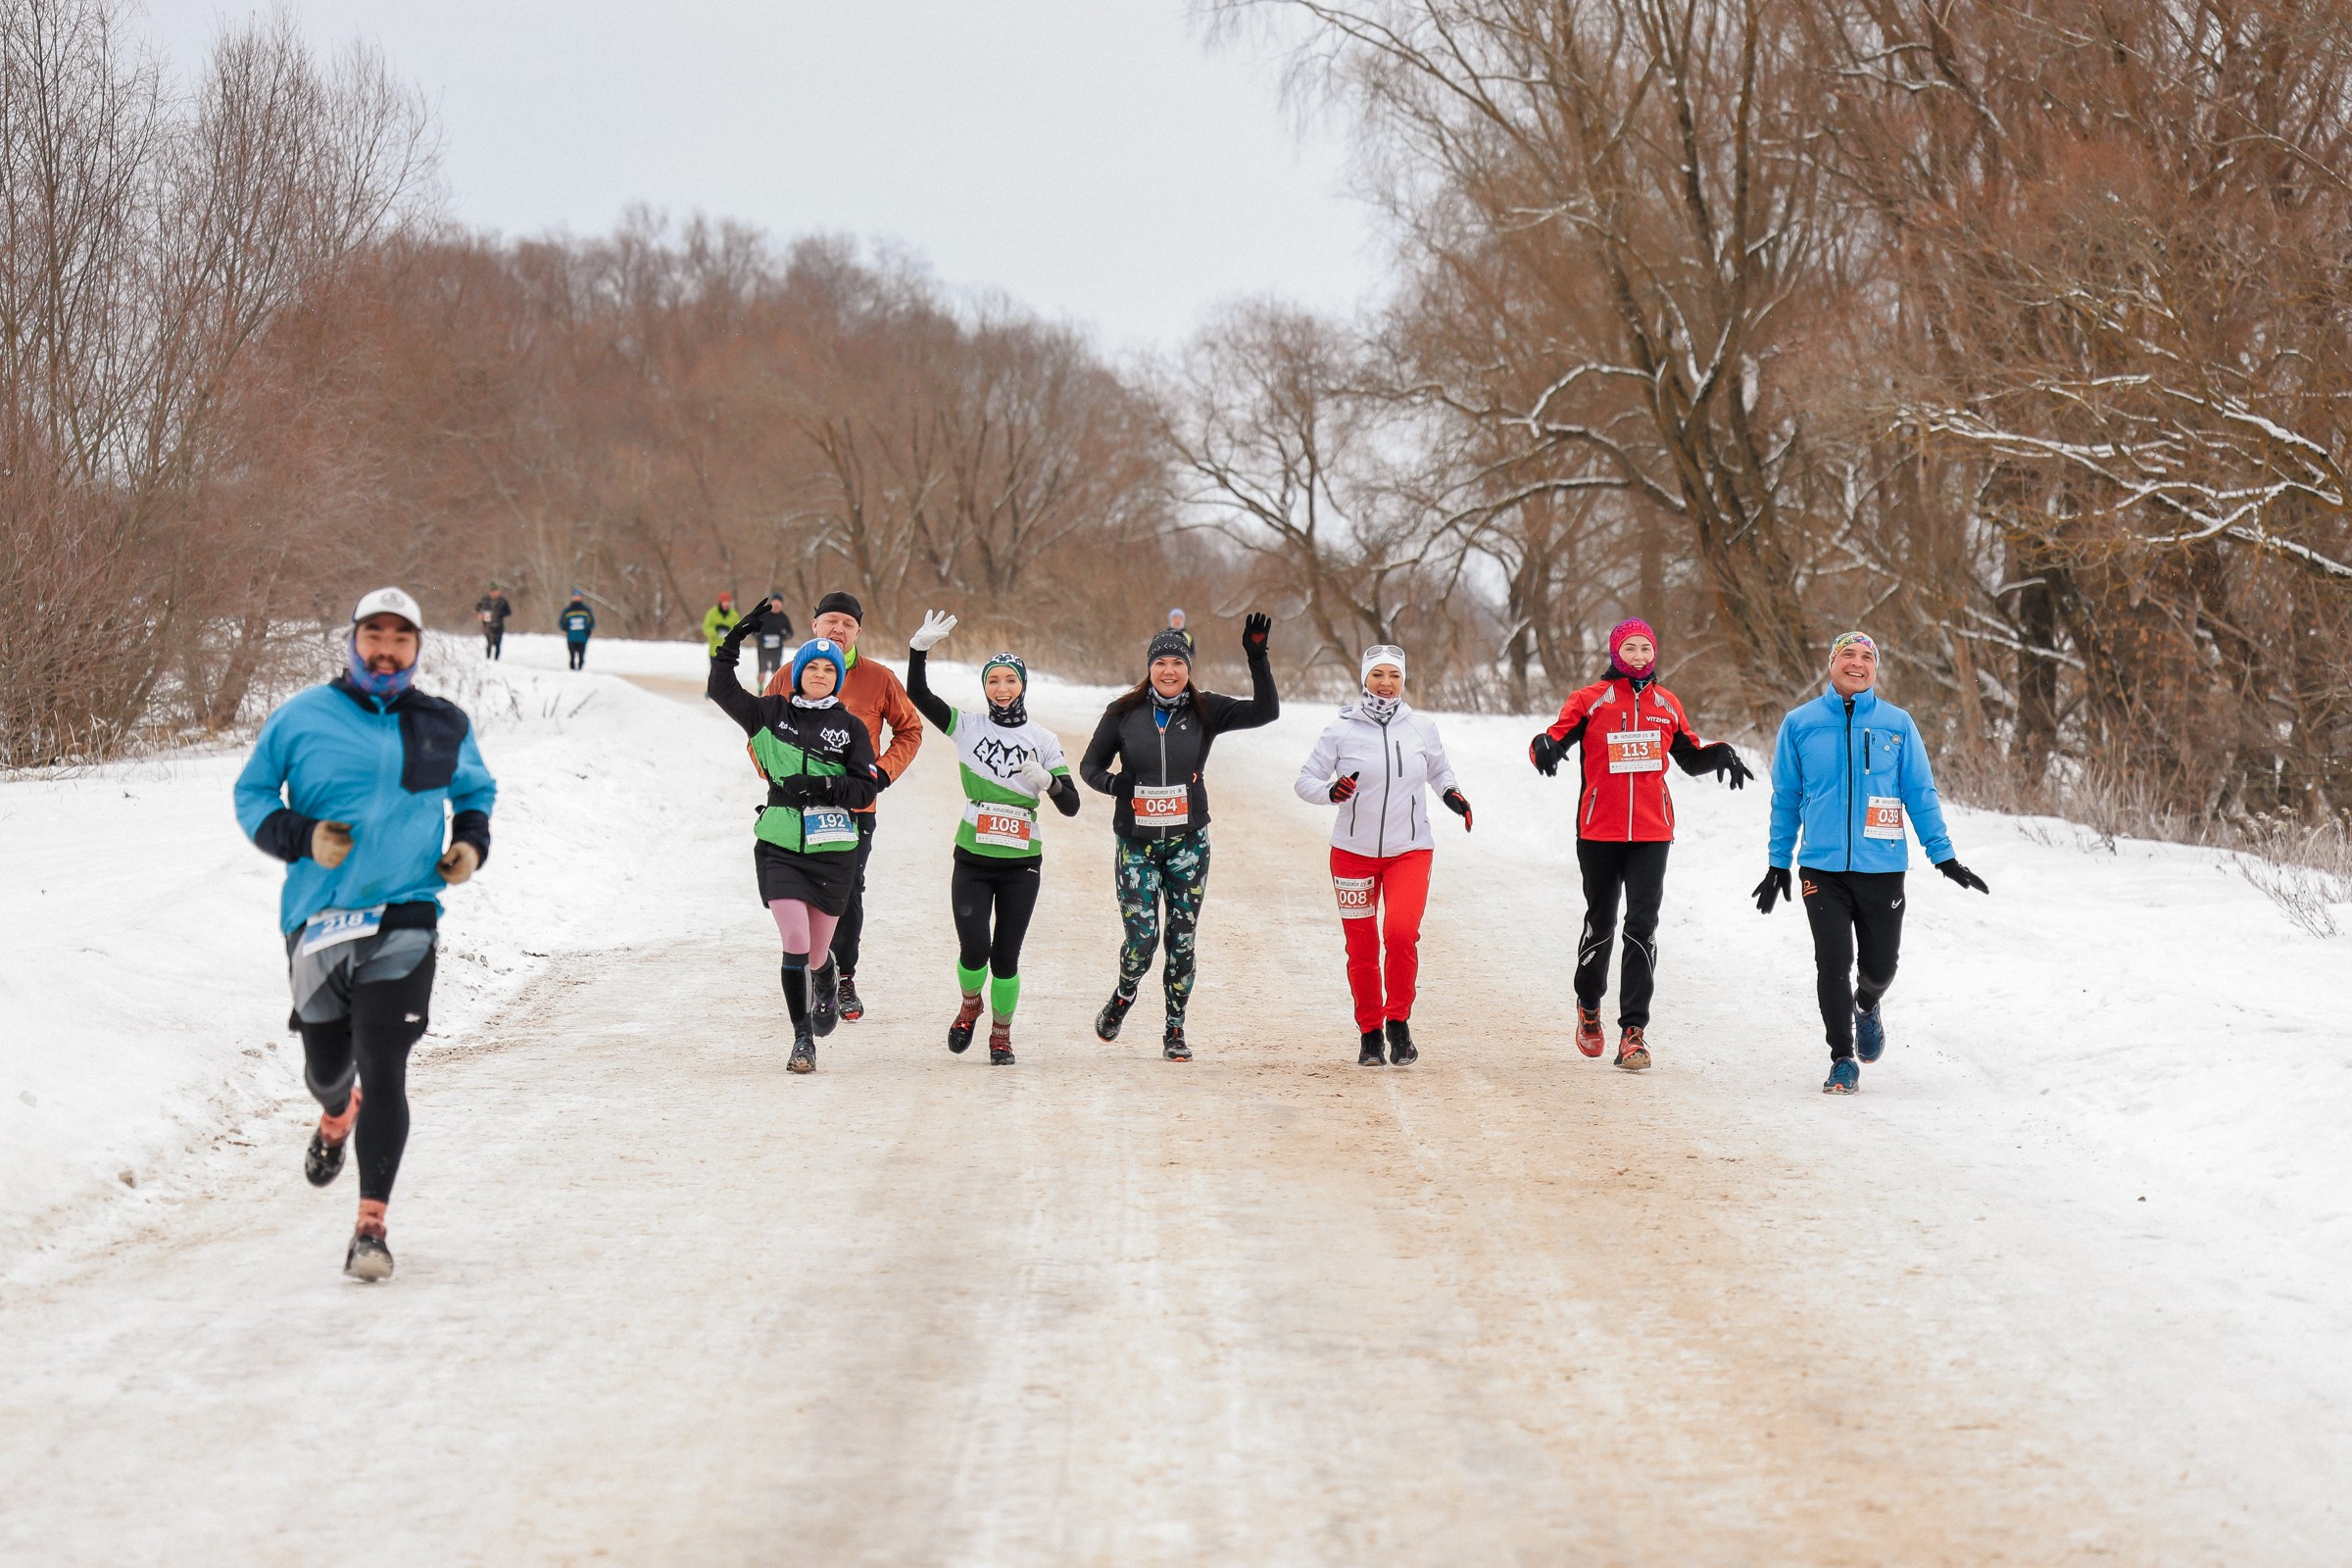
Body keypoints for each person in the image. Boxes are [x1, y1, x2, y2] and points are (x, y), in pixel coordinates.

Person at [233, 587, 496, 1281]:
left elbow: (476, 793)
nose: (386, 649)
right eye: (374, 636)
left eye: (400, 638)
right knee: (328, 1068)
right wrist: (302, 837)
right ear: (352, 643)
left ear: (416, 648)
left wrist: (469, 846)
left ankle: (371, 1226)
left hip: (407, 913)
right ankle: (333, 1113)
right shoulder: (301, 718)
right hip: (318, 917)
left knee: (384, 1062)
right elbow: (252, 795)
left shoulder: (442, 722)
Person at [1754, 631, 1991, 1094]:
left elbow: (1919, 793)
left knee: (1881, 967)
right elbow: (1786, 797)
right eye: (1848, 654)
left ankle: (1867, 1005)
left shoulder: (1897, 724)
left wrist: (1942, 855)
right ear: (1832, 663)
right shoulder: (1799, 723)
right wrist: (1778, 862)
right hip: (1822, 868)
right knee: (1832, 961)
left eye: (1867, 657)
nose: (1858, 663)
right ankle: (1842, 1058)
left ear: (1876, 669)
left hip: (1882, 867)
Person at [1530, 617, 1753, 1071]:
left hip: (1653, 833)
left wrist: (1721, 753)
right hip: (1598, 832)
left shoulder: (1666, 704)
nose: (1638, 657)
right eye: (1629, 649)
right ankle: (1588, 1004)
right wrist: (1542, 748)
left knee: (1643, 925)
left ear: (1655, 654)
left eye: (1645, 649)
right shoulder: (1590, 701)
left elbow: (1689, 756)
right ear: (1615, 653)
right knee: (1603, 920)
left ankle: (1633, 1032)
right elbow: (1553, 739)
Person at [1080, 613, 1278, 1060]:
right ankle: (1125, 994)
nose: (1169, 670)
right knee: (1142, 939)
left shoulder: (1206, 709)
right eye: (1161, 662)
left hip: (1188, 845)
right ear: (1149, 667)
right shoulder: (1123, 714)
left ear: (1189, 668)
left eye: (1178, 662)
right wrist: (1116, 786)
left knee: (1182, 939)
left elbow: (1267, 712)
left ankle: (1174, 1029)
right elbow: (1089, 767)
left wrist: (1256, 656)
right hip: (1137, 844)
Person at [901, 611, 1080, 1064]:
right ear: (985, 688)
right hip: (974, 858)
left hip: (1022, 863)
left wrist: (1051, 781)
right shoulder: (968, 726)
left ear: (1023, 685)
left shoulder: (1043, 738)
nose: (1002, 688)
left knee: (1005, 956)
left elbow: (1072, 804)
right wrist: (918, 651)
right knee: (974, 948)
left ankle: (1001, 1033)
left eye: (1010, 680)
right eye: (994, 681)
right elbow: (918, 694)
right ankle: (969, 1004)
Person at [708, 604, 878, 1073]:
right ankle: (803, 1040)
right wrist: (729, 647)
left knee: (818, 952)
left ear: (837, 677)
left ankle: (826, 976)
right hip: (780, 844)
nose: (821, 674)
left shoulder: (849, 727)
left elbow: (867, 787)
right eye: (813, 667)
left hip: (833, 851)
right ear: (798, 673)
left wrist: (824, 786)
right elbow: (720, 690)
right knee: (795, 940)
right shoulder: (768, 713)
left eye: (830, 669)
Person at [1295, 645, 1471, 1066]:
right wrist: (1330, 792)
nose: (1386, 683)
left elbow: (1439, 770)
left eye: (1394, 675)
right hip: (1352, 854)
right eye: (1378, 675)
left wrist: (1452, 793)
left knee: (1400, 934)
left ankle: (1399, 1022)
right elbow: (1305, 781)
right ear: (1364, 679)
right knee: (1361, 947)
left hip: (1409, 851)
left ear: (1403, 680)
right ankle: (1370, 1033)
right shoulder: (1340, 731)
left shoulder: (1421, 728)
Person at [759, 590, 922, 1026]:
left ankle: (841, 976)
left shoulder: (878, 677)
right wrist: (774, 774)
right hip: (792, 809)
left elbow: (910, 729)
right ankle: (813, 970)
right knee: (795, 893)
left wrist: (881, 775)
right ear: (814, 626)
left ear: (858, 632)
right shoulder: (790, 674)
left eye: (847, 624)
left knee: (846, 893)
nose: (838, 629)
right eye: (831, 620)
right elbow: (759, 731)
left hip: (851, 811)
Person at [754, 593, 796, 686]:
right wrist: (759, 638)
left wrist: (783, 637)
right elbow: (753, 629)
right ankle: (760, 690)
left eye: (778, 604)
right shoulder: (763, 615)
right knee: (762, 670)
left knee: (776, 671)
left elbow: (790, 633)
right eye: (774, 604)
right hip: (763, 647)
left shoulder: (783, 618)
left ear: (781, 605)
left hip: (777, 648)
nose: (776, 606)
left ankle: (774, 690)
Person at [559, 591, 595, 670]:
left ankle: (580, 669)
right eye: (575, 596)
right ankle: (572, 670)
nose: (576, 598)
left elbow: (592, 622)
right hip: (571, 637)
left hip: (582, 637)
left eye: (578, 596)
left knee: (581, 656)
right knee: (572, 656)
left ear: (580, 597)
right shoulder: (568, 610)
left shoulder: (586, 610)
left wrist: (588, 630)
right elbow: (561, 622)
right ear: (572, 597)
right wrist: (565, 628)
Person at [474, 584, 512, 661]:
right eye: (492, 591)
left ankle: (496, 660)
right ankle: (488, 659)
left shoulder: (502, 601)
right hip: (488, 625)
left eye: (495, 591)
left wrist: (500, 614)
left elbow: (508, 612)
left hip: (499, 625)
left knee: (498, 644)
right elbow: (477, 608)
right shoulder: (484, 600)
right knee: (490, 642)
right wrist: (480, 614)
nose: (494, 593)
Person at [702, 592, 741, 657]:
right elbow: (706, 628)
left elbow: (739, 630)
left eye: (728, 602)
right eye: (724, 602)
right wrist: (716, 630)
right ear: (720, 602)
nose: (726, 604)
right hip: (715, 651)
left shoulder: (734, 615)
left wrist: (729, 630)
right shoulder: (711, 613)